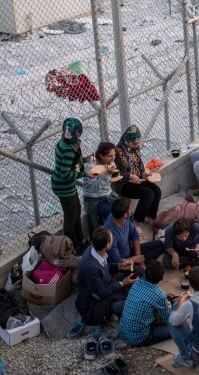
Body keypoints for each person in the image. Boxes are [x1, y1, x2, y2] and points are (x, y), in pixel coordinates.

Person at [75, 226, 137, 329]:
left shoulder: (94, 249)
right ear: (108, 245)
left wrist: (119, 266)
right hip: (96, 298)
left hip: (106, 282)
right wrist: (122, 283)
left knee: (136, 272)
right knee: (128, 300)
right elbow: (101, 294)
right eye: (111, 238)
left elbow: (105, 267)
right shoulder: (91, 268)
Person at [113, 125, 162, 234]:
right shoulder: (117, 152)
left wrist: (143, 173)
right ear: (126, 141)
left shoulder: (134, 149)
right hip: (123, 183)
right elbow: (114, 172)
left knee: (157, 191)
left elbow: (139, 165)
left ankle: (151, 216)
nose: (136, 146)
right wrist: (130, 176)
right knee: (148, 194)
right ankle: (136, 221)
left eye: (137, 143)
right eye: (134, 143)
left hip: (137, 179)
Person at [52, 117, 87, 252]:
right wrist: (83, 174)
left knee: (77, 210)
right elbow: (65, 174)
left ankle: (81, 240)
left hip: (66, 185)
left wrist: (85, 160)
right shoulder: (69, 150)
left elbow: (71, 163)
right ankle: (72, 246)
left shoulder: (63, 141)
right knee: (71, 217)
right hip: (64, 186)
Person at [119, 260, 173, 346]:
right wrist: (180, 302)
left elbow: (149, 296)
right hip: (139, 338)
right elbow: (170, 320)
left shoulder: (136, 283)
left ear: (145, 273)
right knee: (175, 328)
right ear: (162, 278)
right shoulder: (160, 295)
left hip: (122, 331)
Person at [104, 198, 165, 271]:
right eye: (130, 208)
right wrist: (134, 259)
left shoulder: (124, 218)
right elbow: (117, 262)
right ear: (125, 214)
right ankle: (141, 268)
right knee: (140, 272)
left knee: (160, 244)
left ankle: (141, 265)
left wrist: (138, 257)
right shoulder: (110, 233)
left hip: (130, 253)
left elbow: (134, 235)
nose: (131, 209)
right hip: (123, 264)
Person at [82, 141, 118, 236]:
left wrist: (112, 174)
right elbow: (94, 188)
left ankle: (125, 235)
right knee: (113, 214)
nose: (113, 158)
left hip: (107, 194)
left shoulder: (109, 162)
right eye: (110, 156)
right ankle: (110, 238)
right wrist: (107, 174)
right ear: (101, 156)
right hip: (94, 199)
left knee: (126, 210)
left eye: (114, 155)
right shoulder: (92, 166)